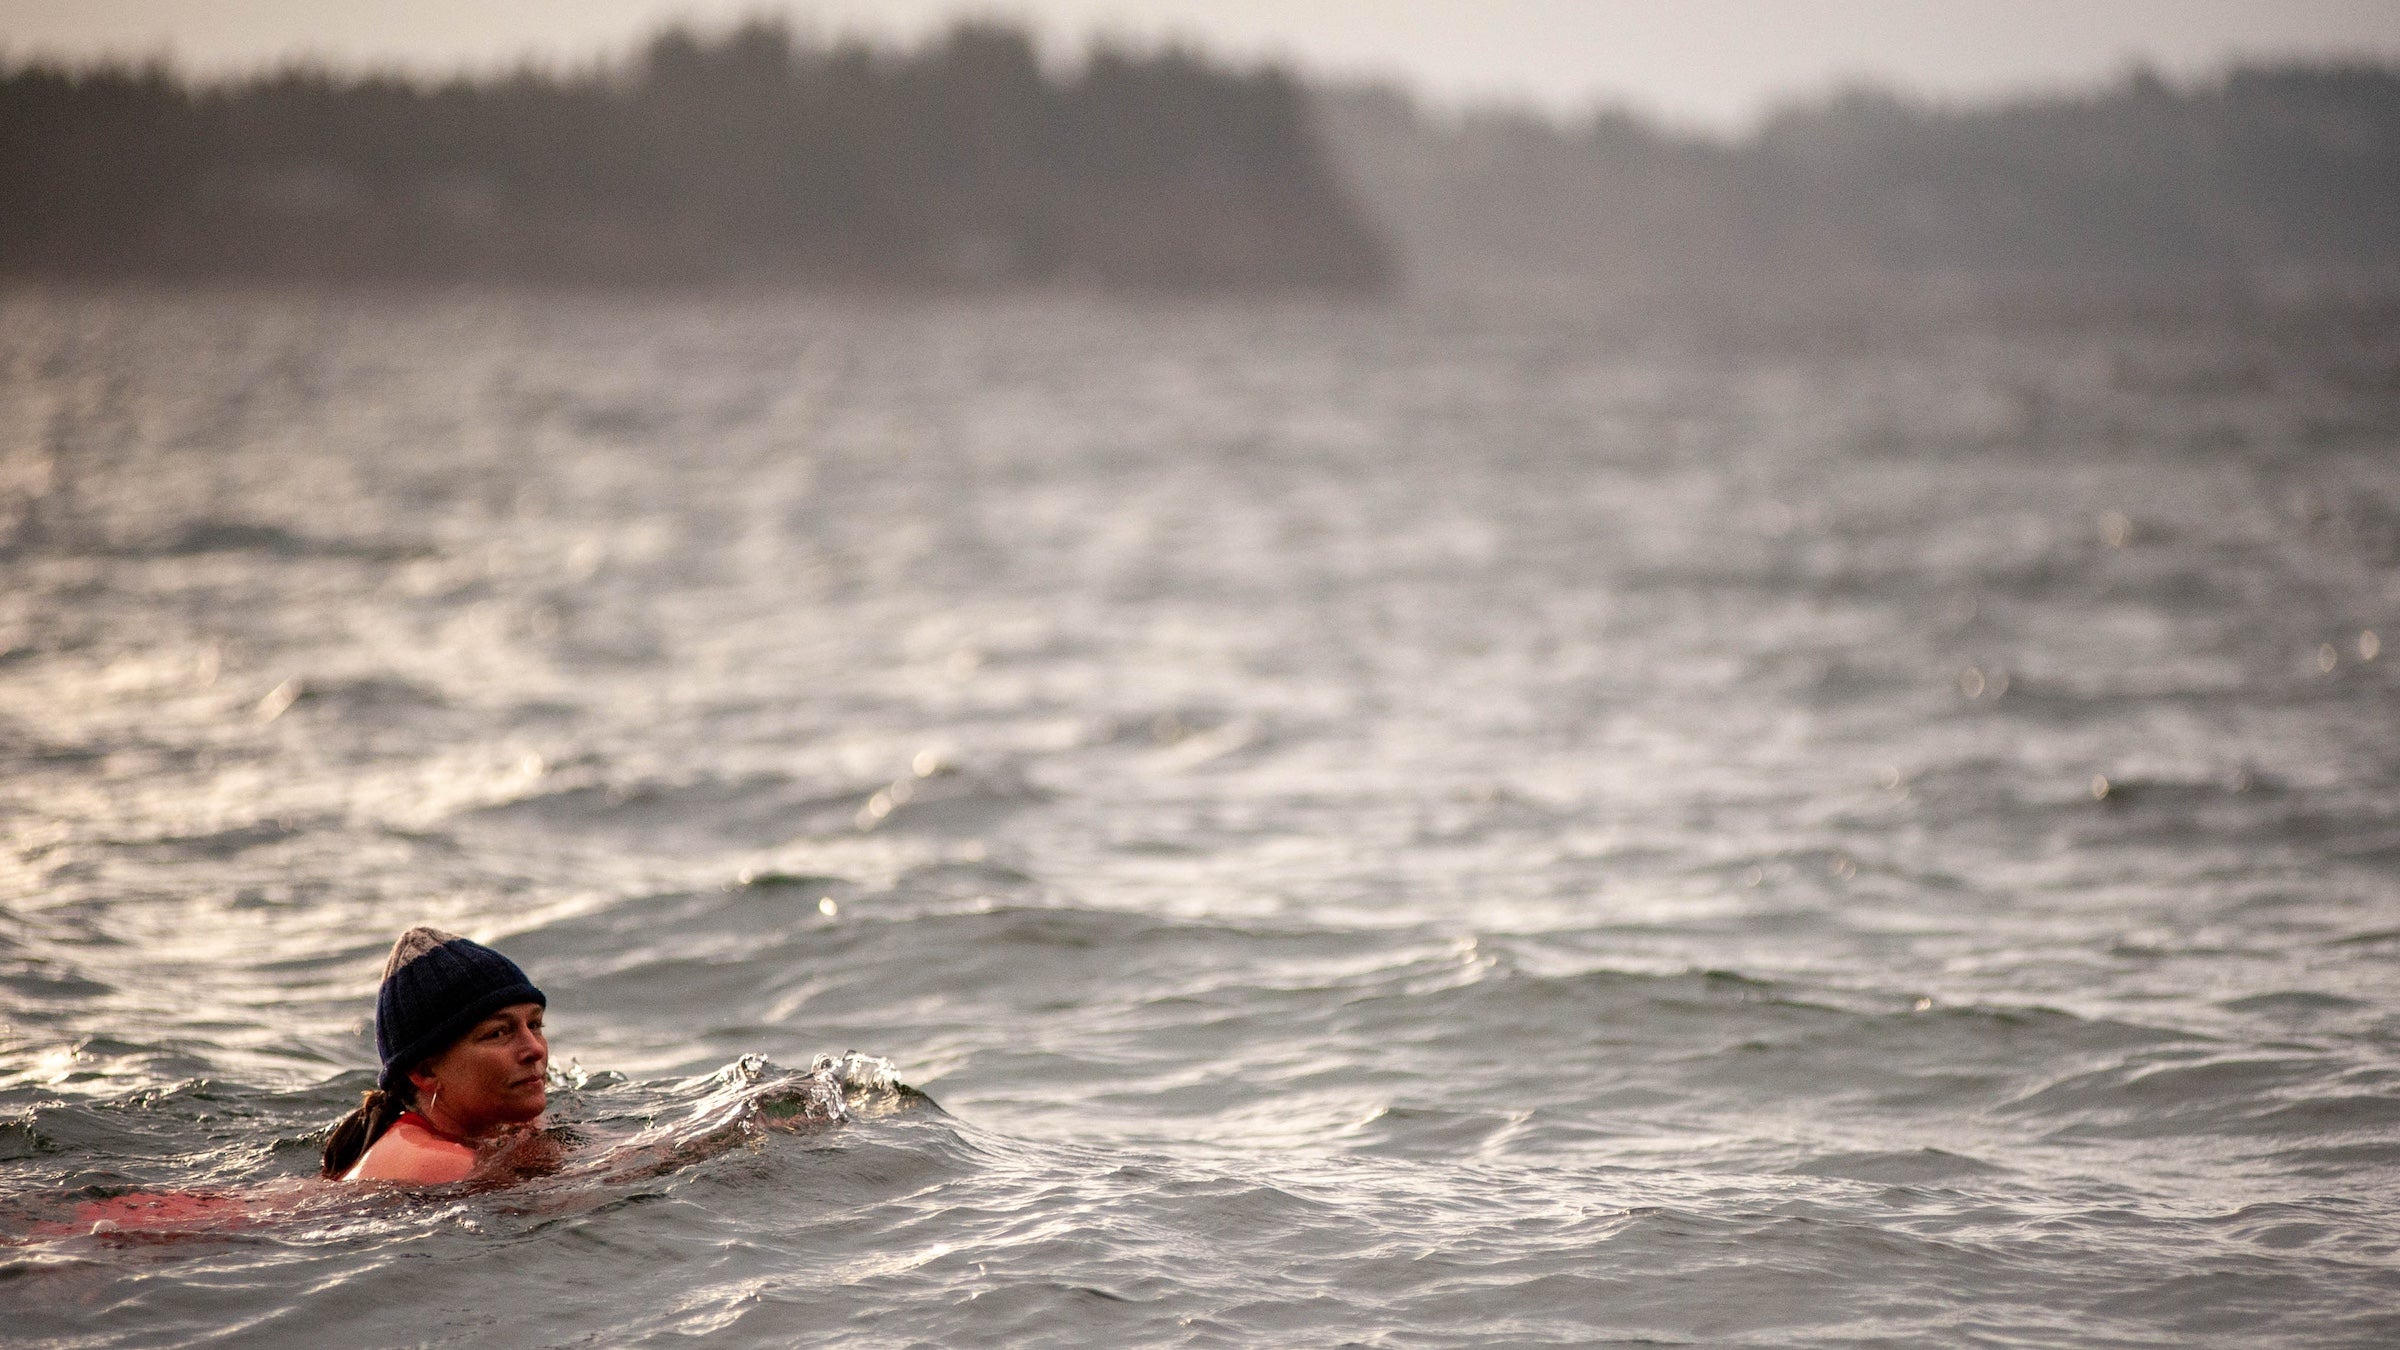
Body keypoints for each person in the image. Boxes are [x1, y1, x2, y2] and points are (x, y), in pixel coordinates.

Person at [320, 926, 551, 1184]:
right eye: (498, 1033)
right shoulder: (439, 1162)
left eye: (534, 1025)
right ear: (425, 1072)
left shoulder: (506, 1127)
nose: (535, 1049)